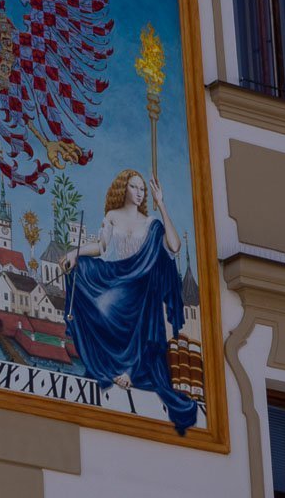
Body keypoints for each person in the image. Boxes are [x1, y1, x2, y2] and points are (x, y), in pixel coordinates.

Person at [61, 169, 197, 434]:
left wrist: (162, 205)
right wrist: (74, 253)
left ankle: (130, 370)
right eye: (134, 187)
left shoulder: (152, 224)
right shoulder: (112, 217)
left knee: (146, 305)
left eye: (142, 189)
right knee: (94, 291)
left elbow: (175, 247)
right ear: (123, 189)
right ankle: (110, 362)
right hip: (118, 277)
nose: (139, 193)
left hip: (142, 285)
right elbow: (101, 248)